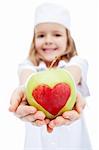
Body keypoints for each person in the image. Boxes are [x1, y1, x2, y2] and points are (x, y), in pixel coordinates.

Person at [9, 3, 92, 150]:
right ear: (33, 41)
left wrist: (68, 86)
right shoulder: (28, 65)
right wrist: (24, 89)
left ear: (68, 41)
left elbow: (74, 73)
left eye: (57, 34)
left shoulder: (77, 62)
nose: (48, 40)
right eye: (41, 35)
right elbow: (26, 78)